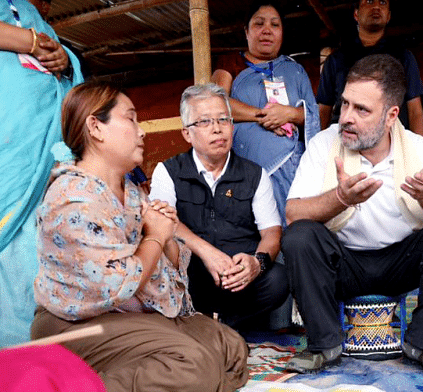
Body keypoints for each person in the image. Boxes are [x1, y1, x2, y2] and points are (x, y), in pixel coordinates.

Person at [30, 81, 249, 391]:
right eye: (130, 118)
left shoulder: (132, 195)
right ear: (96, 127)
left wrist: (168, 237)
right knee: (194, 364)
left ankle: (178, 376)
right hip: (76, 326)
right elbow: (116, 286)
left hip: (128, 318)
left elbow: (165, 268)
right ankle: (80, 384)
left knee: (230, 347)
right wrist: (155, 237)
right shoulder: (73, 196)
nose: (142, 131)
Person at [282, 54, 423, 375]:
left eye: (361, 110)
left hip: (401, 263)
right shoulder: (324, 144)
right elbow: (293, 213)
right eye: (344, 104)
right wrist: (339, 198)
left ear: (391, 115)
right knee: (300, 236)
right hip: (343, 264)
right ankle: (323, 344)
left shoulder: (417, 149)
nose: (346, 117)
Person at [149, 83, 288, 329]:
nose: (217, 129)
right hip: (191, 277)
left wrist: (256, 263)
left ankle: (226, 325)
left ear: (232, 126)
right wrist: (207, 253)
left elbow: (272, 233)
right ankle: (197, 322)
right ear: (186, 134)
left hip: (238, 279)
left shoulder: (255, 174)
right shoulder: (168, 171)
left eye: (223, 120)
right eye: (204, 122)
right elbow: (161, 222)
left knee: (279, 279)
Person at [0, 0, 83, 347]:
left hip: (47, 155)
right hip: (10, 152)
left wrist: (65, 59)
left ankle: (43, 355)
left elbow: (69, 77)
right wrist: (29, 42)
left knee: (39, 253)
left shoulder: (31, 15)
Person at [211, 0, 319, 227]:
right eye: (259, 24)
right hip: (246, 170)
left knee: (297, 231)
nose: (267, 30)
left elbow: (312, 116)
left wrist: (288, 114)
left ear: (282, 33)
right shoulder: (231, 62)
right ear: (246, 31)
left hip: (295, 172)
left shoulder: (295, 69)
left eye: (275, 25)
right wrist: (264, 115)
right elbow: (216, 103)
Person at [317, 0, 423, 136]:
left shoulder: (403, 57)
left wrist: (418, 153)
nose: (376, 7)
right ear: (356, 14)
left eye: (382, 2)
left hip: (392, 143)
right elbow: (323, 111)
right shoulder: (336, 60)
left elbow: (415, 111)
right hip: (346, 141)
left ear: (388, 16)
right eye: (369, 1)